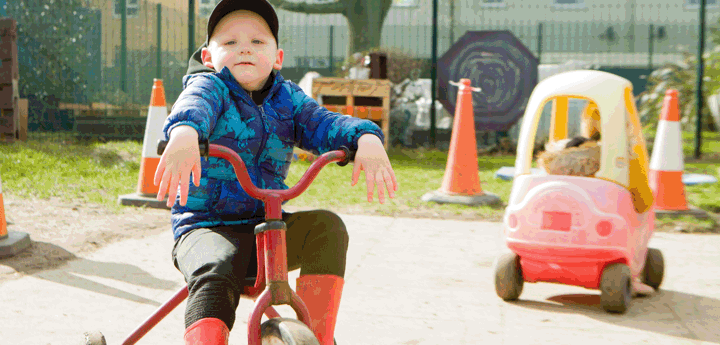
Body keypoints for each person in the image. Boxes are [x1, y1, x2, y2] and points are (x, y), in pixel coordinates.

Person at [153, 1, 398, 344]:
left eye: (257, 42)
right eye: (230, 43)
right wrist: (184, 133)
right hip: (204, 225)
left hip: (266, 231)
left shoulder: (289, 101)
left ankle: (317, 337)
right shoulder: (210, 89)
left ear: (277, 57)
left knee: (326, 228)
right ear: (209, 58)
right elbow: (193, 107)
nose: (244, 50)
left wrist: (366, 136)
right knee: (215, 269)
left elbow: (324, 124)